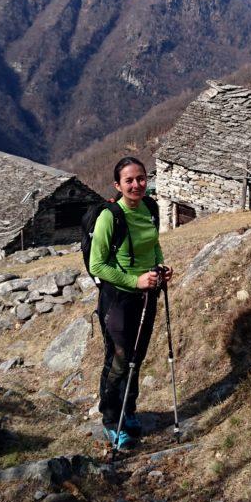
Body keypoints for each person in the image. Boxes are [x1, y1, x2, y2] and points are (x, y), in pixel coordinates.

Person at [89, 156, 174, 449]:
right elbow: (97, 265)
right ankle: (112, 421)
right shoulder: (110, 217)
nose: (137, 184)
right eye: (129, 180)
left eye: (141, 178)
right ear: (118, 185)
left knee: (137, 358)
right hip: (117, 299)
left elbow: (154, 244)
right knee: (119, 359)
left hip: (147, 295)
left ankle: (130, 411)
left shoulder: (150, 207)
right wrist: (134, 281)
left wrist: (161, 266)